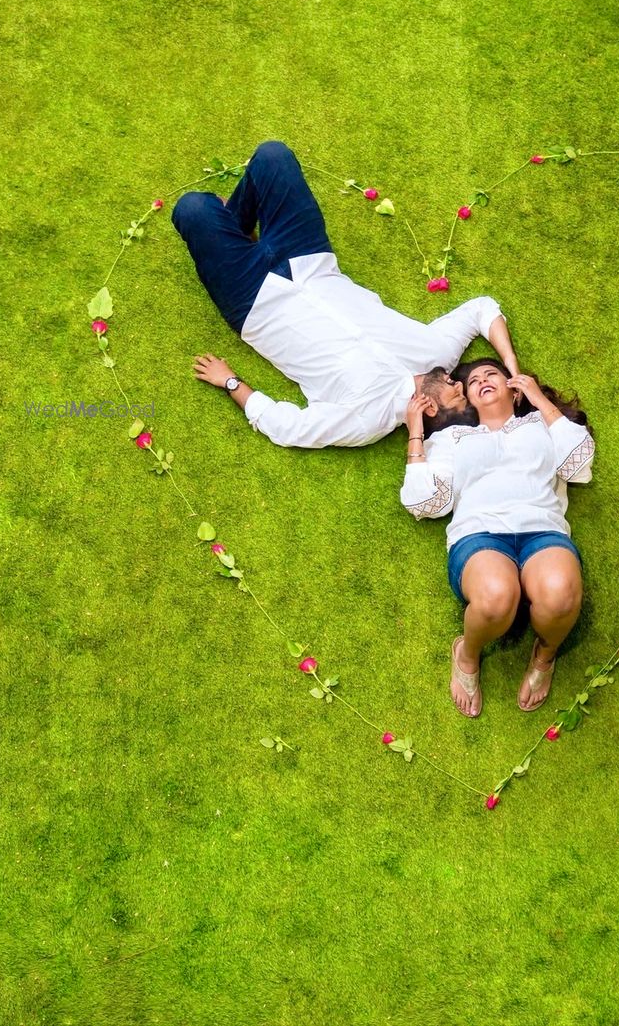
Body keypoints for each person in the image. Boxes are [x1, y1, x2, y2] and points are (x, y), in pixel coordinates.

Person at [171, 141, 518, 447]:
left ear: (429, 412)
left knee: (193, 209)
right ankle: (232, 227)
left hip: (254, 300)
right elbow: (481, 310)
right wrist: (511, 368)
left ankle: (226, 230)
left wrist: (230, 381)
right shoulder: (439, 353)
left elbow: (288, 428)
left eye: (456, 397)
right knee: (272, 156)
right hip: (310, 261)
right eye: (466, 387)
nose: (458, 385)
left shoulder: (368, 421)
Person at [401, 357, 594, 717]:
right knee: (495, 598)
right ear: (468, 399)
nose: (484, 380)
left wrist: (539, 399)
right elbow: (424, 501)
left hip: (543, 531)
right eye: (473, 380)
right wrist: (416, 430)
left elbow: (578, 464)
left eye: (493, 374)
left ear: (513, 387)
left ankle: (545, 654)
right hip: (480, 535)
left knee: (561, 596)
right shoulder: (452, 439)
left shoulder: (541, 423)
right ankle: (467, 654)